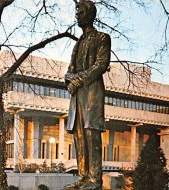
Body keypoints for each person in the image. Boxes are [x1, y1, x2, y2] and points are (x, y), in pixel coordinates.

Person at [64, 0, 111, 189]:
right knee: (79, 137)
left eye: (80, 12)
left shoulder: (102, 38)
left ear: (91, 14)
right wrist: (69, 80)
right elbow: (69, 71)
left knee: (92, 135)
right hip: (77, 98)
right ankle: (83, 177)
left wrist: (77, 80)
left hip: (92, 93)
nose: (77, 15)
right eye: (76, 12)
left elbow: (100, 65)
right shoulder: (77, 44)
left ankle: (94, 179)